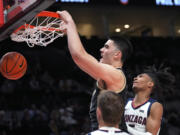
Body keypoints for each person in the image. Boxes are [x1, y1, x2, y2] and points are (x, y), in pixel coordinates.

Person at [57, 10, 133, 131]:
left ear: (117, 54)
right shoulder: (108, 75)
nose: (101, 49)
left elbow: (79, 56)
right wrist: (69, 32)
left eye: (106, 47)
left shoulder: (116, 74)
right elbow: (80, 61)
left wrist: (70, 23)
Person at [124, 66, 175, 135]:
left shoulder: (154, 106)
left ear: (150, 84)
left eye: (140, 77)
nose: (135, 78)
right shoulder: (126, 101)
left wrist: (125, 128)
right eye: (136, 76)